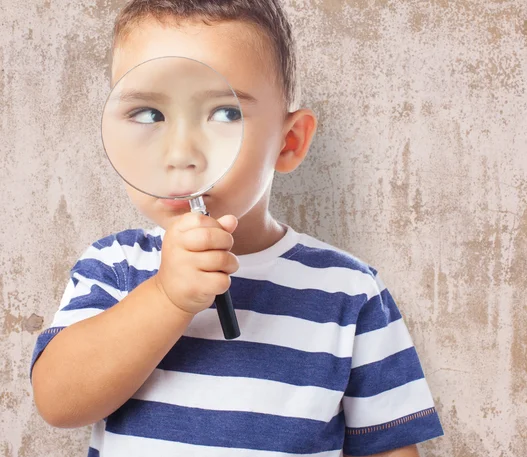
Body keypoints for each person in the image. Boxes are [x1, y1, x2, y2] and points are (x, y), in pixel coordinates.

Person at [30, 1, 444, 455]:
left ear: (289, 143)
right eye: (149, 114)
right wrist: (166, 297)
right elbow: (57, 402)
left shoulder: (350, 292)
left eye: (225, 113)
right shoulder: (114, 267)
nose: (181, 153)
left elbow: (389, 447)